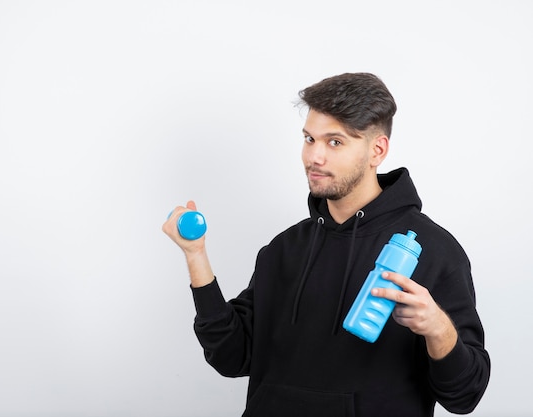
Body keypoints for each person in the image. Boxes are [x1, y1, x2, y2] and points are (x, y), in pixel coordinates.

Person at [162, 72, 490, 417]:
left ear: (377, 150)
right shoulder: (284, 249)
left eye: (335, 142)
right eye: (309, 139)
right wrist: (195, 254)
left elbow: (465, 396)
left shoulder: (434, 251)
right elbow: (231, 357)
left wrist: (438, 328)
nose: (314, 157)